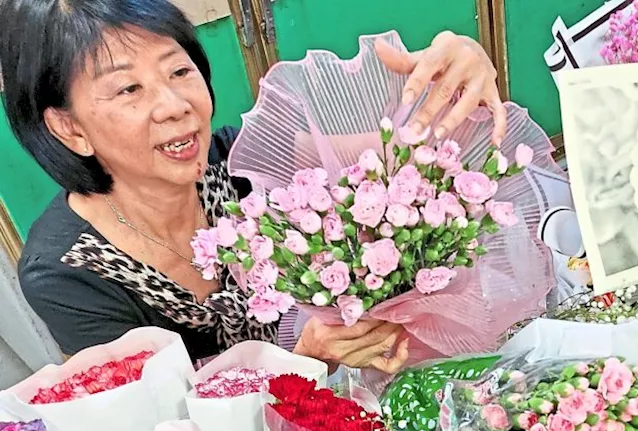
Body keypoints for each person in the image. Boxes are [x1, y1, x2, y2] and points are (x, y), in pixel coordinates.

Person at [0, 0, 508, 372]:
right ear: (69, 128)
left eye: (179, 70)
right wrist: (299, 356)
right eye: (129, 88)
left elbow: (405, 146)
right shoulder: (65, 273)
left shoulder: (241, 159)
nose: (176, 104)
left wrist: (456, 72)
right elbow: (158, 422)